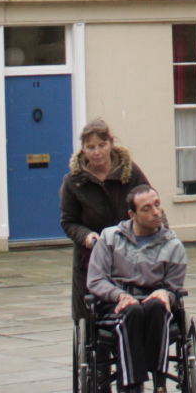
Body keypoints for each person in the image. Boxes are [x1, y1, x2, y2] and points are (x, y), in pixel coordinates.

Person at [86, 184, 187, 393]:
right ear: (132, 215)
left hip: (154, 304)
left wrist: (166, 294)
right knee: (131, 312)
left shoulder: (173, 246)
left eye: (157, 204)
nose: (156, 212)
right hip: (117, 304)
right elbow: (96, 279)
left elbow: (174, 286)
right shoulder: (110, 239)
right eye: (147, 208)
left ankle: (160, 392)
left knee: (156, 308)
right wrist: (118, 295)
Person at [60, 119, 149, 308]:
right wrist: (86, 236)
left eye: (102, 145)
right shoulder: (73, 182)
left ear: (111, 143)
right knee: (91, 311)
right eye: (91, 147)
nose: (97, 152)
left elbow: (149, 205)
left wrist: (161, 233)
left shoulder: (131, 173)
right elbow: (69, 221)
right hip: (91, 256)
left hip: (131, 251)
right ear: (83, 149)